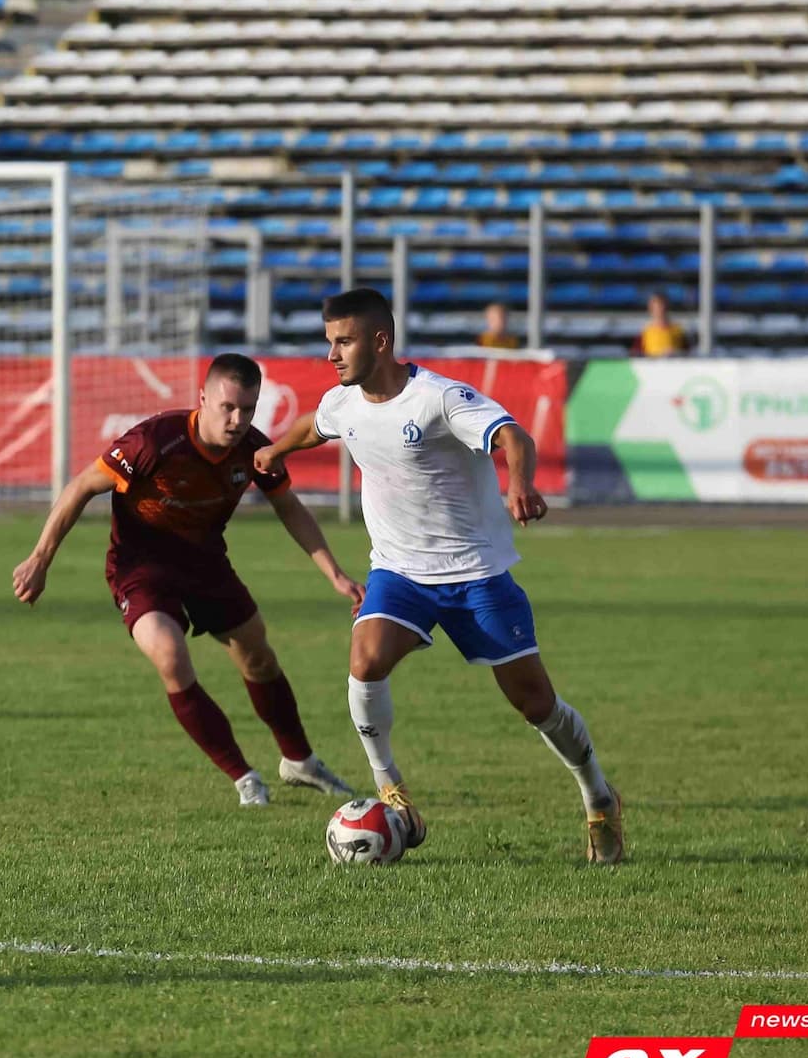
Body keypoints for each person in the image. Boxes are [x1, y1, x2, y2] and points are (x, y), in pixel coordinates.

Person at [256, 287, 623, 863]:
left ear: (380, 341)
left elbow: (512, 435)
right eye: (328, 342)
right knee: (364, 658)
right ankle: (391, 791)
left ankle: (598, 794)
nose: (332, 354)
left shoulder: (439, 398)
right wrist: (276, 451)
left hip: (477, 574)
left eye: (343, 341)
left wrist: (519, 482)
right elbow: (316, 424)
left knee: (536, 705)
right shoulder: (345, 401)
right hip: (400, 571)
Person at [12, 353, 362, 806]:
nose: (238, 420)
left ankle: (299, 761)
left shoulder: (254, 450)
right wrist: (41, 557)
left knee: (258, 656)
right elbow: (82, 486)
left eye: (248, 409)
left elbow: (288, 506)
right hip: (140, 569)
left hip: (205, 565)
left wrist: (334, 573)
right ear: (203, 399)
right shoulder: (154, 442)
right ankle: (244, 777)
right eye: (228, 408)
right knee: (169, 652)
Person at [634, 291, 689, 357]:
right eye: (657, 305)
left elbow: (688, 354)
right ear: (650, 308)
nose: (660, 309)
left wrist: (676, 353)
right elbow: (636, 356)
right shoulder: (644, 332)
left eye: (662, 305)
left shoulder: (678, 331)